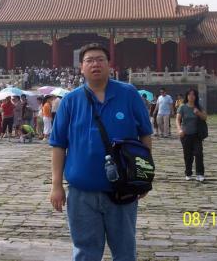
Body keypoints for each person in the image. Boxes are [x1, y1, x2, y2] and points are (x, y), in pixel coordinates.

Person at [49, 43, 153, 261]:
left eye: (100, 59)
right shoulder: (70, 101)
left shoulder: (128, 94)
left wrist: (143, 175)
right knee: (85, 252)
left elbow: (145, 134)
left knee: (125, 251)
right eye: (89, 60)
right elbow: (58, 144)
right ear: (81, 68)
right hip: (81, 193)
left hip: (122, 190)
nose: (95, 64)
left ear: (109, 65)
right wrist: (56, 185)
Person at [176, 88, 208, 182]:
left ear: (196, 96)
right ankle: (188, 173)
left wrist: (198, 113)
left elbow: (205, 117)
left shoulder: (198, 106)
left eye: (193, 94)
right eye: (189, 94)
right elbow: (178, 120)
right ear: (187, 96)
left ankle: (200, 174)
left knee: (198, 153)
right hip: (185, 135)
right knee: (188, 155)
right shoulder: (182, 107)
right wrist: (179, 130)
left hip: (197, 135)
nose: (191, 96)